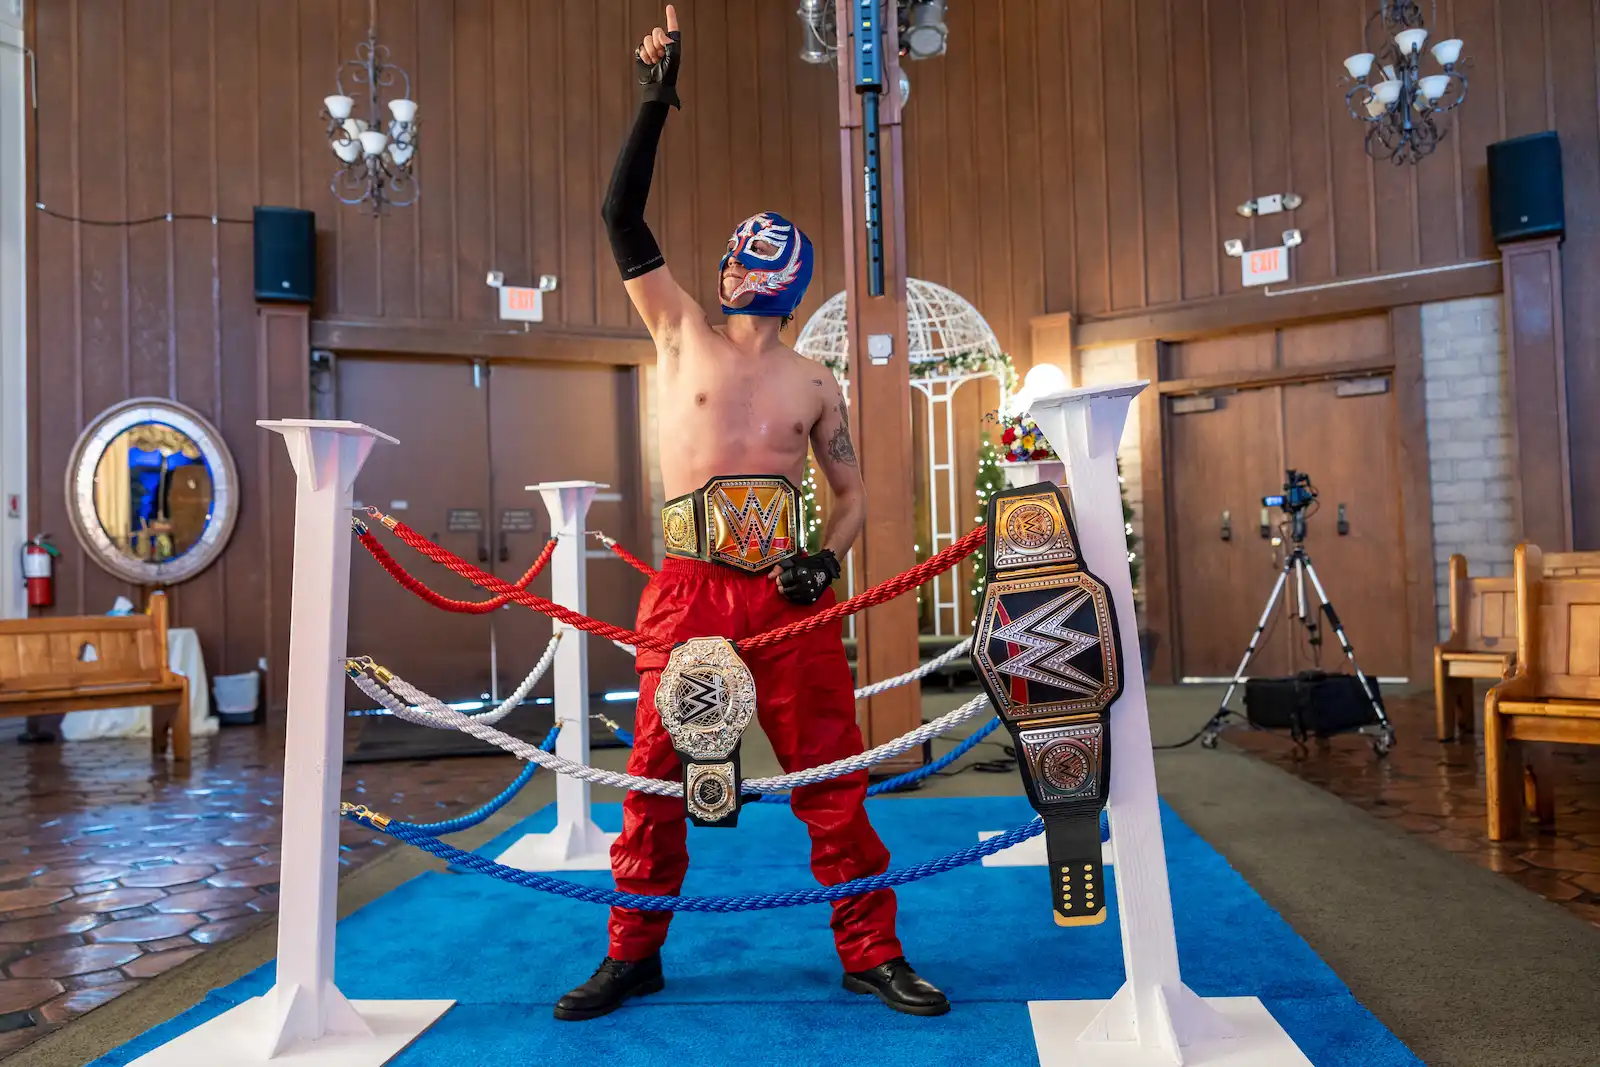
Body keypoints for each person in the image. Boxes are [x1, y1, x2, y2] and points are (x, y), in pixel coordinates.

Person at [554, 4, 948, 1023]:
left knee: (831, 771)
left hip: (787, 594)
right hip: (685, 588)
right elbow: (618, 215)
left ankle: (870, 950)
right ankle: (632, 952)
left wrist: (824, 558)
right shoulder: (676, 328)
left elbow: (855, 494)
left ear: (788, 271)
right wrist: (655, 98)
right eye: (739, 249)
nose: (744, 262)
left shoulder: (818, 379)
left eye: (760, 254)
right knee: (650, 779)